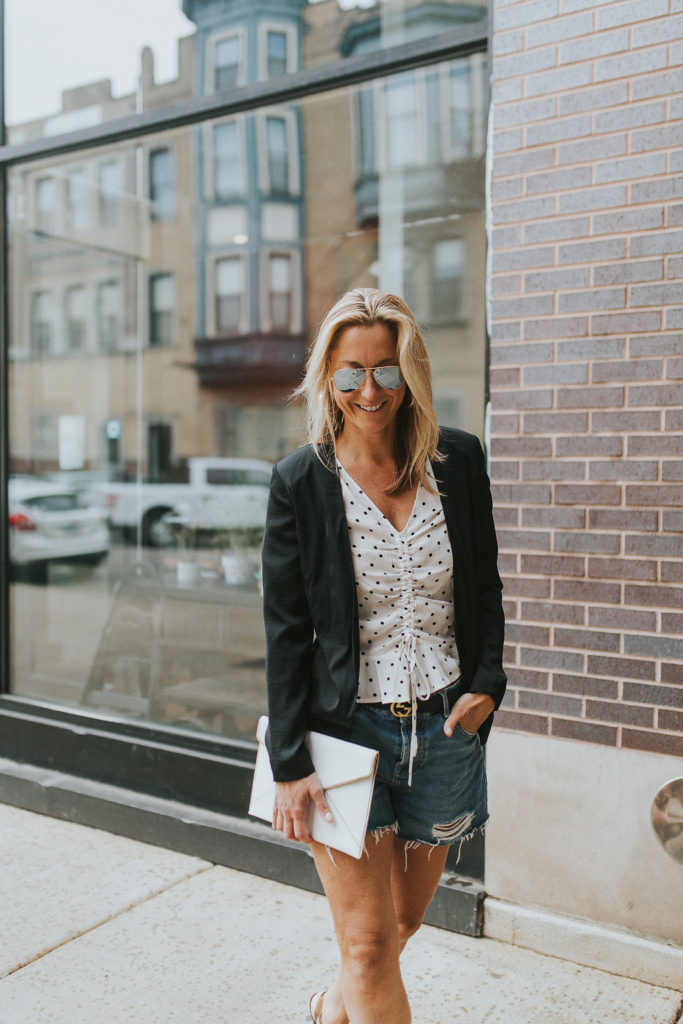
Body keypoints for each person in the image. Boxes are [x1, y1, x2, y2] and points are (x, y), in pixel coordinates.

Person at [261, 288, 506, 1024]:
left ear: (410, 373)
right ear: (326, 381)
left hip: (444, 730)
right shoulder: (301, 481)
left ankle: (329, 1009)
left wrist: (488, 683)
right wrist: (289, 764)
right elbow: (283, 630)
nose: (369, 391)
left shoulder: (456, 462)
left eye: (387, 371)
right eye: (349, 374)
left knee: (397, 928)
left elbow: (485, 588)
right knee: (366, 945)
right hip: (344, 734)